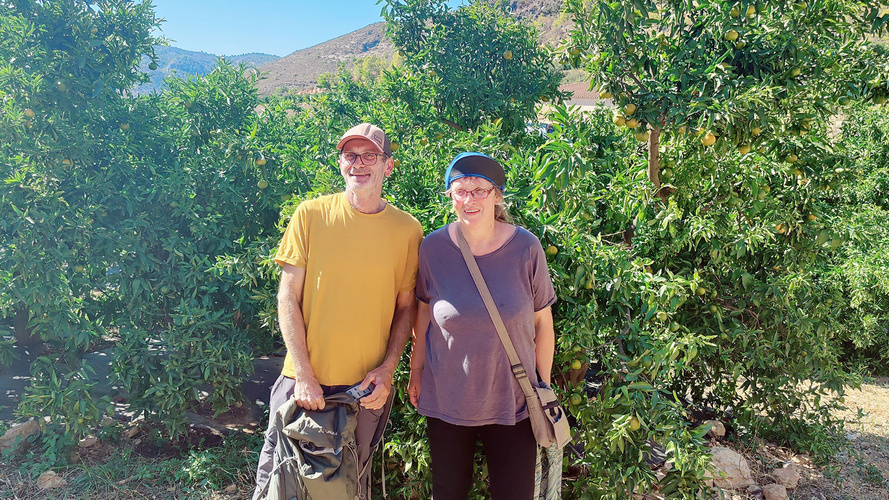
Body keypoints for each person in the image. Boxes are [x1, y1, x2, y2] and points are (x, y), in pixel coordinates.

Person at [253, 123, 423, 500]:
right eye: (350, 155)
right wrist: (305, 375)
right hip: (302, 385)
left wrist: (388, 369)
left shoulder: (408, 230)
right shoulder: (311, 214)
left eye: (369, 156)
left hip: (363, 392)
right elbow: (287, 298)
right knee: (280, 486)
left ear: (387, 166)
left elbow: (406, 307)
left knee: (349, 488)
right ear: (340, 162)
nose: (358, 164)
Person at [408, 152, 557, 500]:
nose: (469, 200)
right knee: (448, 492)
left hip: (515, 401)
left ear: (497, 195)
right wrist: (416, 371)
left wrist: (543, 385)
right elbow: (423, 315)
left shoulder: (527, 248)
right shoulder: (433, 249)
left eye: (479, 190)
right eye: (460, 191)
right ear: (450, 197)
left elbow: (543, 324)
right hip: (448, 399)